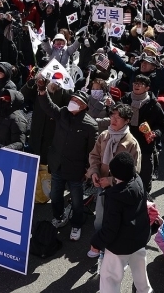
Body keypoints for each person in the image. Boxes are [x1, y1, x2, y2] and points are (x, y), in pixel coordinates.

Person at [37, 81, 98, 241]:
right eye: (73, 99)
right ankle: (59, 217)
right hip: (57, 165)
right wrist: (43, 90)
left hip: (76, 170)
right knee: (56, 196)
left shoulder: (90, 126)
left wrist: (87, 170)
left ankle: (76, 224)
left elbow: (92, 151)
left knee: (77, 201)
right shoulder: (63, 113)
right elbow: (49, 107)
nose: (73, 102)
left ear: (84, 107)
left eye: (78, 102)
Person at [89, 152, 152, 293]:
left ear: (116, 175)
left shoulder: (115, 199)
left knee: (110, 278)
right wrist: (111, 187)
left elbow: (110, 228)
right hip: (139, 238)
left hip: (119, 246)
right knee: (140, 272)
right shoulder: (138, 180)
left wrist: (96, 242)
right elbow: (126, 191)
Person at [87, 103, 142, 237]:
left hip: (120, 189)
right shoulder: (104, 135)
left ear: (127, 120)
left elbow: (134, 171)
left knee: (115, 219)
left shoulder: (132, 143)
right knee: (100, 216)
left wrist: (111, 181)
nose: (113, 120)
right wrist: (94, 172)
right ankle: (99, 242)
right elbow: (94, 155)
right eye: (112, 116)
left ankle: (111, 246)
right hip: (101, 185)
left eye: (118, 118)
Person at [120, 74, 164, 191]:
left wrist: (155, 133)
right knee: (124, 172)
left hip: (145, 145)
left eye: (140, 84)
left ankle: (144, 198)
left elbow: (163, 124)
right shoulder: (125, 99)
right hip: (125, 142)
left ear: (147, 88)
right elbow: (116, 115)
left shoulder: (153, 104)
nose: (136, 85)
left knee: (144, 175)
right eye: (135, 83)